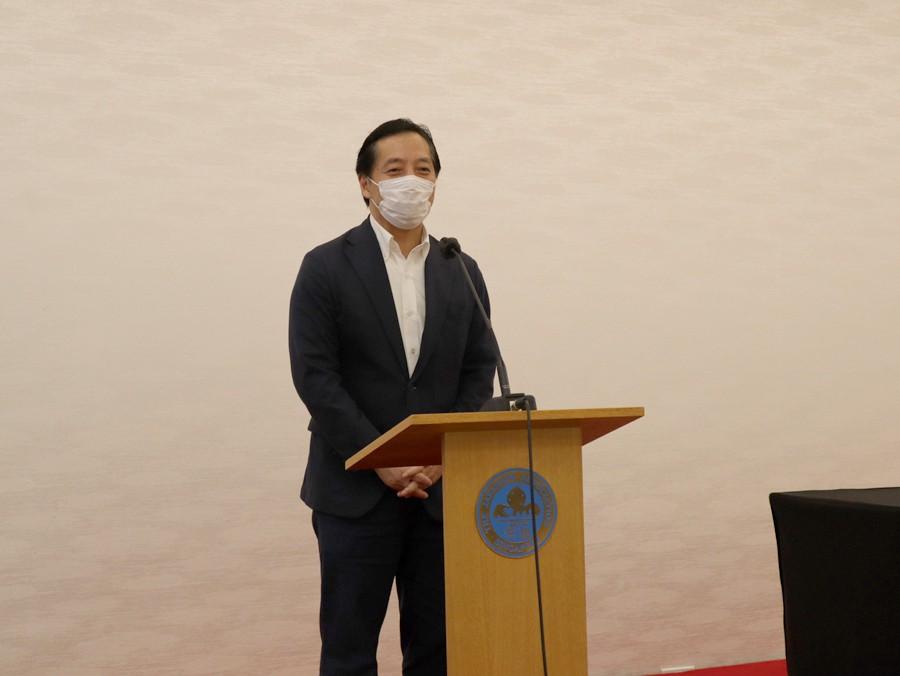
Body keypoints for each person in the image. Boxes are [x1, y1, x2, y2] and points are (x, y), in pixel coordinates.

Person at [289, 118, 497, 676]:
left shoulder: (461, 268)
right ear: (366, 183)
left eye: (423, 170)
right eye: (395, 169)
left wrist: (440, 454)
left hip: (440, 493)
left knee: (438, 651)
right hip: (354, 491)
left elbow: (478, 371)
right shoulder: (325, 266)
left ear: (437, 183)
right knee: (349, 652)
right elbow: (315, 377)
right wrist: (381, 457)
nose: (412, 181)